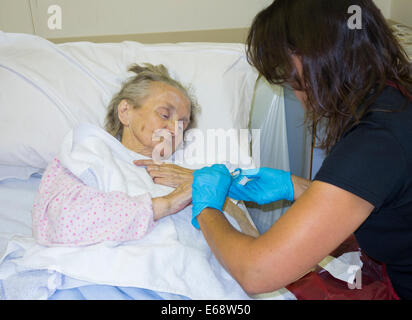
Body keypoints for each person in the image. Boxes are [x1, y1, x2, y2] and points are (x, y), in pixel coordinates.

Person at [191, 0, 412, 299]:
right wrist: (295, 186)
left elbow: (256, 273)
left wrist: (206, 208)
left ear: (318, 55)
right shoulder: (395, 97)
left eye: (288, 73)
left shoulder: (376, 140)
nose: (296, 92)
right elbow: (379, 196)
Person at [32, 63, 196, 246]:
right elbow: (63, 222)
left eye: (183, 124)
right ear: (125, 111)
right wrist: (164, 205)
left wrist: (202, 180)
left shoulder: (190, 175)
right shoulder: (87, 154)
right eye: (165, 115)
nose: (175, 129)